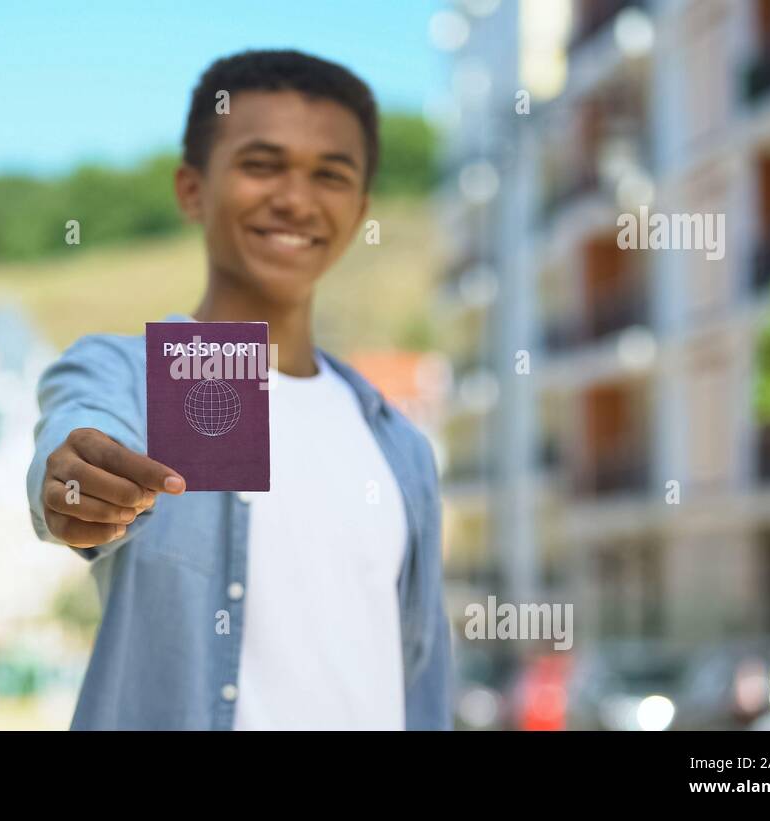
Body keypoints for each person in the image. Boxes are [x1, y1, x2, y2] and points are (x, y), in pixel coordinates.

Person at [27, 49, 452, 730]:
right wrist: (76, 486)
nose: (295, 198)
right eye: (262, 164)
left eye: (330, 175)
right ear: (192, 188)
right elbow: (79, 440)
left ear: (360, 206)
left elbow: (422, 679)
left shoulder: (399, 444)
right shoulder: (142, 374)